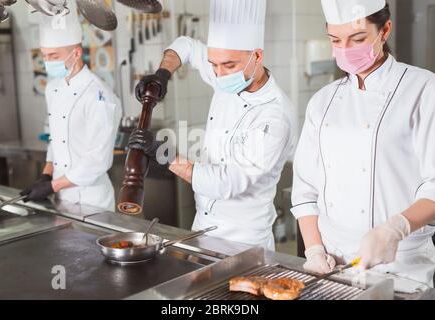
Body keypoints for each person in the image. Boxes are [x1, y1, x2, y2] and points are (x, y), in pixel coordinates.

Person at [130, 0, 297, 250]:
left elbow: (226, 182)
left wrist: (162, 153)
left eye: (228, 65)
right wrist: (162, 74)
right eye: (213, 64)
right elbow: (184, 46)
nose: (218, 74)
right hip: (202, 229)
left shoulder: (275, 116)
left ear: (257, 56)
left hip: (244, 243)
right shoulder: (226, 75)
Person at [291, 0, 435, 286]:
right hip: (335, 267)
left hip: (403, 266)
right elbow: (305, 189)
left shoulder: (423, 89)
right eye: (335, 40)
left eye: (357, 39)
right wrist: (314, 249)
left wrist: (395, 228)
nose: (345, 49)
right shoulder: (322, 101)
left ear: (385, 30)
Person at [20, 11, 122, 211]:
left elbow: (98, 161)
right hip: (61, 197)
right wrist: (46, 175)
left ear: (76, 53)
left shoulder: (99, 95)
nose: (48, 61)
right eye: (44, 55)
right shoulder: (52, 88)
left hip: (93, 202)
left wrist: (51, 186)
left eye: (54, 56)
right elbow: (55, 138)